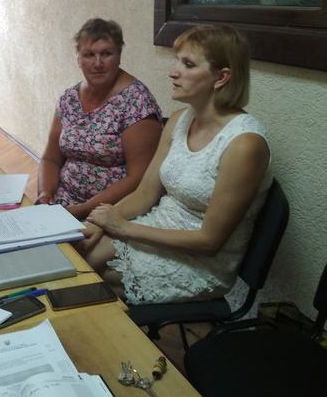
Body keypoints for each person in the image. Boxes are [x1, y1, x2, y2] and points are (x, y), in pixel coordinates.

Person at [80, 24, 272, 304]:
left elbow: (209, 242)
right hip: (156, 227)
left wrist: (123, 228)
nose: (173, 72)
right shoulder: (180, 120)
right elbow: (145, 194)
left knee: (84, 275)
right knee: (77, 252)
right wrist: (101, 222)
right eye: (177, 61)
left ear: (221, 77)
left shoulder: (244, 144)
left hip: (200, 261)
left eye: (188, 64)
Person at [37, 18, 162, 219]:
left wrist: (84, 209)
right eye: (89, 55)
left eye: (106, 54)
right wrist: (45, 195)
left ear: (119, 56)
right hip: (63, 202)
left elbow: (140, 178)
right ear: (78, 59)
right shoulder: (69, 98)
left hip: (111, 211)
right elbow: (50, 158)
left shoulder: (137, 101)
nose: (97, 63)